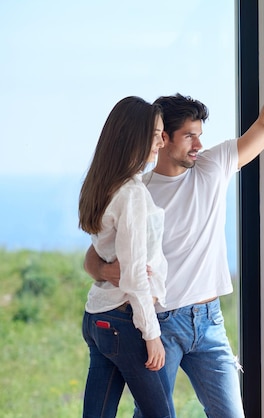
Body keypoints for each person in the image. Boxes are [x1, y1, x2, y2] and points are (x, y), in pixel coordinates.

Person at [83, 55, 264, 417]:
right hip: (158, 321)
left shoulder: (212, 167)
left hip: (209, 321)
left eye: (201, 135)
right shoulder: (138, 190)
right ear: (162, 138)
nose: (198, 144)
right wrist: (106, 272)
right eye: (189, 136)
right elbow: (94, 255)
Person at [78, 96, 174, 417]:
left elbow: (104, 255)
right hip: (124, 319)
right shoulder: (131, 193)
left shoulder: (101, 184)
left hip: (97, 318)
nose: (162, 141)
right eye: (156, 133)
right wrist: (152, 335)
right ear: (134, 136)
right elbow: (134, 277)